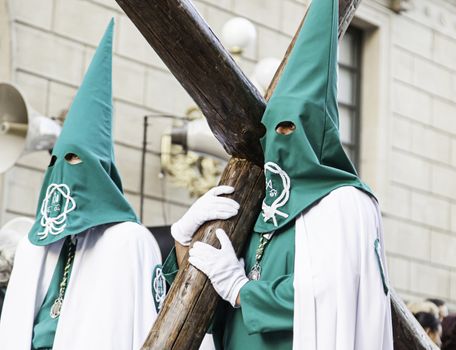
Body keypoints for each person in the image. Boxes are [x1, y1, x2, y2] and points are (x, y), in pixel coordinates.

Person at [158, 0, 393, 348]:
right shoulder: (259, 204)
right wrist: (183, 238)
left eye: (292, 128)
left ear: (320, 132)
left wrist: (241, 290)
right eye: (274, 130)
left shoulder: (345, 202)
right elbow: (205, 303)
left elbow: (329, 294)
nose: (282, 141)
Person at [0, 20, 160, 350]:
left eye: (74, 160)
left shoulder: (129, 241)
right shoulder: (34, 247)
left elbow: (147, 329)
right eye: (55, 161)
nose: (62, 172)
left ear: (101, 172)